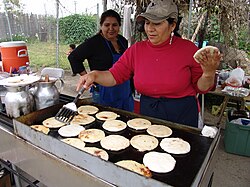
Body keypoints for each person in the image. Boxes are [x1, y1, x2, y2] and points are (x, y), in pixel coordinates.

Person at [76, 0, 221, 128]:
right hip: (149, 114)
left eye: (157, 23)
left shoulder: (188, 49)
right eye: (147, 23)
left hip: (181, 116)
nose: (150, 29)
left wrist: (208, 73)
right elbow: (114, 76)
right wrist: (94, 75)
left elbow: (201, 87)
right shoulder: (136, 50)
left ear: (172, 25)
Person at [68, 9, 134, 112]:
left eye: (114, 25)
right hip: (104, 93)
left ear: (119, 26)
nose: (111, 28)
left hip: (124, 92)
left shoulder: (122, 41)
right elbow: (73, 57)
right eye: (107, 25)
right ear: (101, 26)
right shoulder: (94, 42)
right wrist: (85, 76)